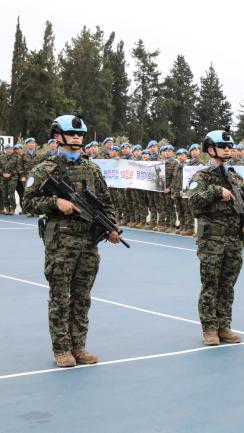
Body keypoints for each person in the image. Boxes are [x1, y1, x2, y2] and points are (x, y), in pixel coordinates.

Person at [22, 114, 121, 367]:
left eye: (80, 134)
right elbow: (28, 203)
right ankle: (61, 349)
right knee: (60, 297)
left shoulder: (92, 169)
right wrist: (55, 202)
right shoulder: (44, 169)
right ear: (58, 136)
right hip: (61, 244)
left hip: (88, 243)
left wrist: (111, 227)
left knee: (82, 296)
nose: (77, 137)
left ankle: (79, 346)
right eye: (72, 133)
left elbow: (106, 203)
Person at [188, 129, 244, 346]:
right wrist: (215, 192)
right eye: (224, 147)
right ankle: (210, 329)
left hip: (233, 240)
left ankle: (224, 325)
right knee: (211, 283)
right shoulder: (202, 177)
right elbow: (193, 202)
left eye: (230, 147)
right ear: (211, 149)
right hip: (212, 240)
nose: (228, 150)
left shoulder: (235, 177)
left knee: (228, 284)